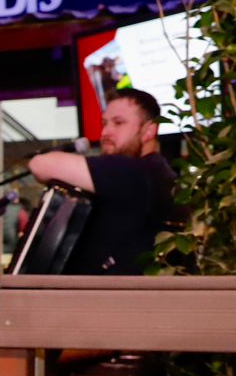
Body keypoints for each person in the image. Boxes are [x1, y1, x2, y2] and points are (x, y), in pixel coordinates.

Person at [27, 88, 177, 275]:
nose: (106, 132)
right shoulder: (160, 172)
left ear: (148, 131)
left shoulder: (134, 171)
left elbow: (40, 165)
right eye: (104, 123)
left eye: (118, 123)